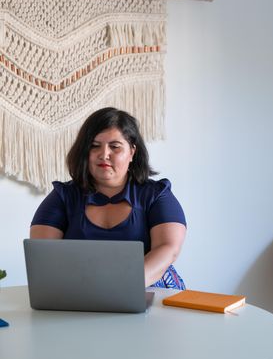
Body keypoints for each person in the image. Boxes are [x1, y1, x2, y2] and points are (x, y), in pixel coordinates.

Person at [30, 107, 186, 289]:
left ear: (132, 152)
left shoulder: (157, 194)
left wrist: (123, 287)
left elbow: (168, 249)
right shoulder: (63, 195)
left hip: (148, 287)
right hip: (80, 291)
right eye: (94, 146)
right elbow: (43, 256)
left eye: (115, 147)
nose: (104, 154)